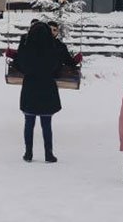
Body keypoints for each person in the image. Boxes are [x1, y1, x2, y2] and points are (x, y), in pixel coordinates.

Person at [13, 21, 78, 163]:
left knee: (29, 122)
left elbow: (19, 64)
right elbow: (59, 66)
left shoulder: (26, 46)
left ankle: (28, 152)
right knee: (46, 123)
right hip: (47, 87)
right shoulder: (53, 47)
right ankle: (49, 153)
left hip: (30, 87)